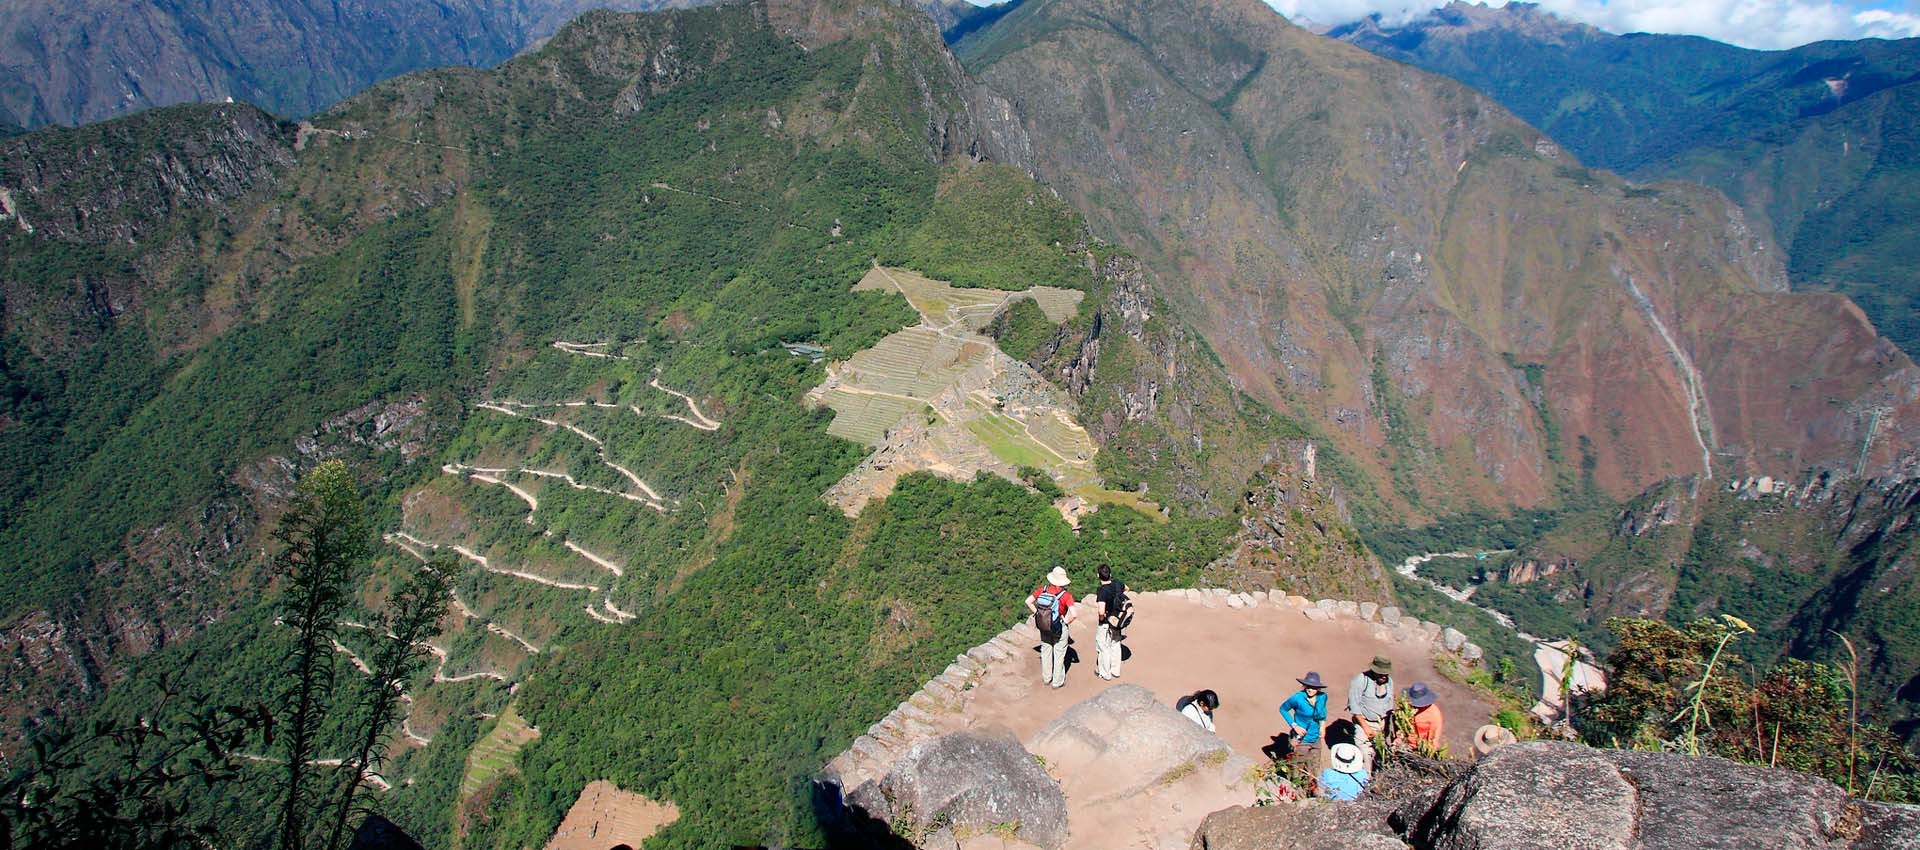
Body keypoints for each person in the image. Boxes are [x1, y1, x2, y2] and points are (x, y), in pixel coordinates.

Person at [1026, 567, 1077, 688]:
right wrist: (1066, 621)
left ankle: (1046, 677)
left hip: (1044, 625)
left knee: (1046, 650)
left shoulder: (1042, 590)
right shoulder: (1066, 595)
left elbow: (1028, 601)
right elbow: (1074, 614)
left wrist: (1037, 614)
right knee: (1059, 653)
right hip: (1058, 626)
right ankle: (1057, 681)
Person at [1347, 656, 1395, 749]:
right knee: (1365, 754)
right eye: (1381, 673)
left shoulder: (1389, 682)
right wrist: (1365, 727)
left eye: (1386, 674)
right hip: (1364, 724)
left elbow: (1390, 704)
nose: (1384, 676)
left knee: (1380, 756)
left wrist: (1385, 726)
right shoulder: (1361, 679)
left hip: (1382, 726)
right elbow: (1354, 705)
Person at [1093, 565, 1130, 680]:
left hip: (1107, 621)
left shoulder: (1102, 591)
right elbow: (1127, 589)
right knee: (1116, 643)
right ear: (1110, 574)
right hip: (1118, 619)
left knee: (1103, 646)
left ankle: (1105, 673)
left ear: (1098, 576)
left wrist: (1101, 619)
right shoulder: (1118, 583)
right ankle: (1116, 670)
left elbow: (1101, 611)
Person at [1278, 671, 1329, 756]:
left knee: (1314, 767)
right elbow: (1283, 709)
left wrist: (1323, 728)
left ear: (1318, 688)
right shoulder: (1297, 698)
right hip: (1302, 740)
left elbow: (1322, 713)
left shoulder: (1322, 697)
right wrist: (1294, 726)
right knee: (1298, 766)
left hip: (1316, 738)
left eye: (1314, 687)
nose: (1310, 689)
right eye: (1308, 686)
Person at [1402, 682, 1444, 750]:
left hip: (1421, 748)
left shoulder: (1434, 715)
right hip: (1406, 743)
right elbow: (1402, 726)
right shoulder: (1407, 707)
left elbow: (1433, 739)